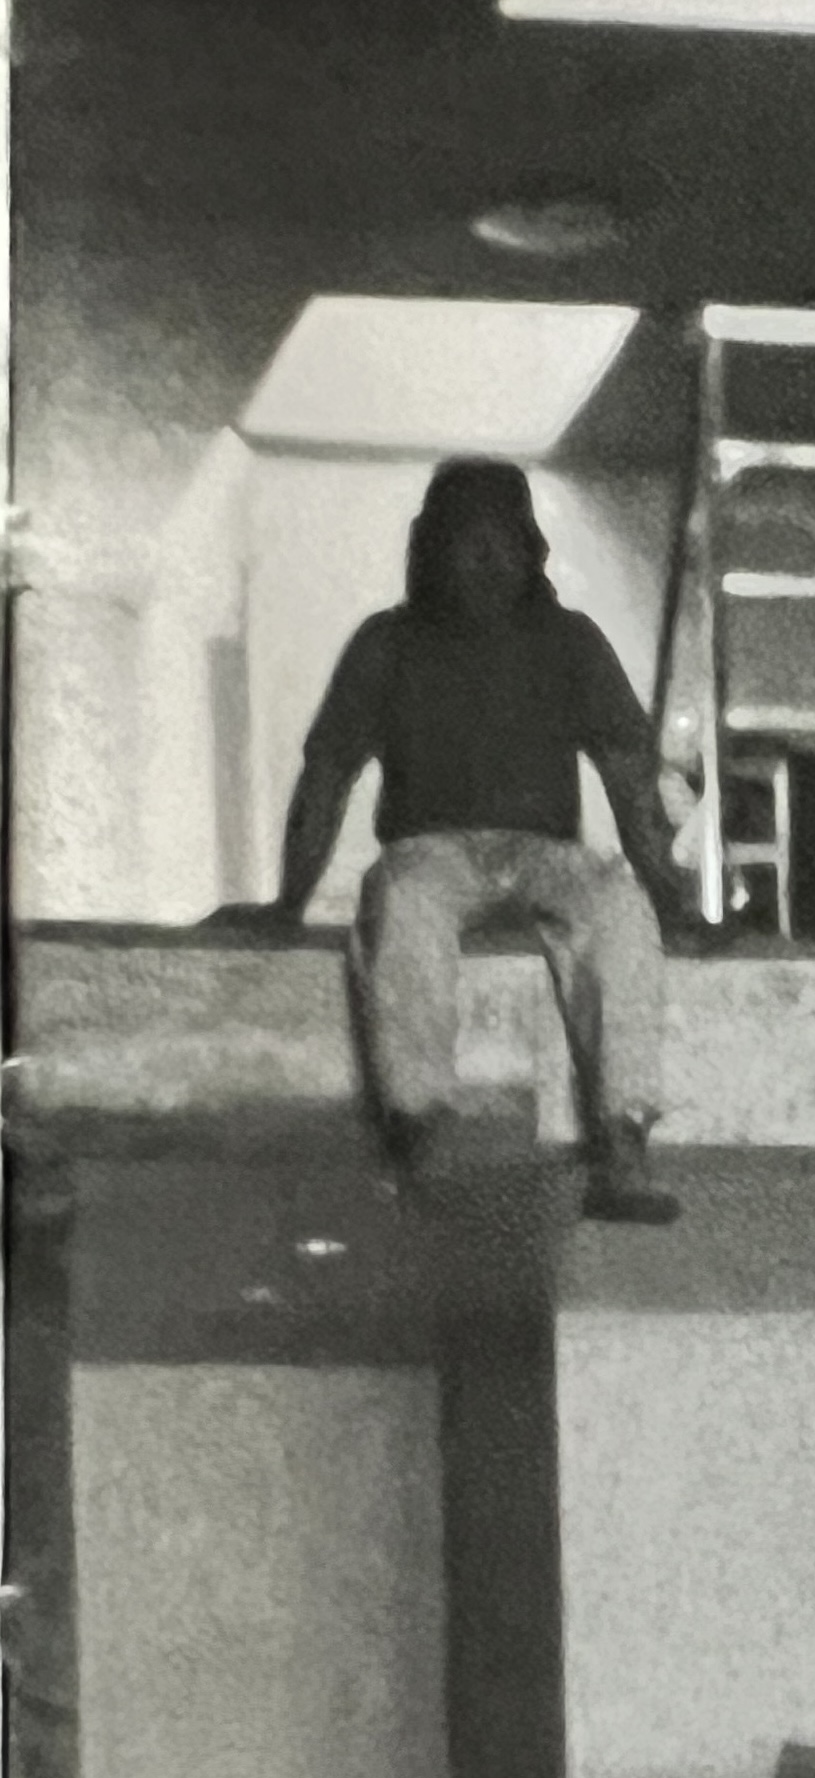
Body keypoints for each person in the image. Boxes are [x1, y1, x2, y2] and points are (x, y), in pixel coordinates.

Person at [225, 458, 686, 1224]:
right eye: (464, 540)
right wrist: (287, 904)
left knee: (619, 907)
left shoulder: (571, 643)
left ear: (529, 547)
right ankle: (419, 1128)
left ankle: (623, 1138)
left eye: (499, 540)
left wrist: (668, 897)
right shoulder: (386, 643)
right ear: (431, 547)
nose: (483, 558)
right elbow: (328, 774)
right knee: (404, 905)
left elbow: (630, 777)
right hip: (430, 852)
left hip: (547, 853)